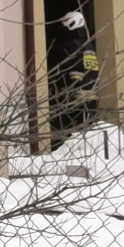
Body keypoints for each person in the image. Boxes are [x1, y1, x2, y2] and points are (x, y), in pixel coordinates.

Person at [48, 11, 99, 148]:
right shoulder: (88, 45)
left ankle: (59, 149)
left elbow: (66, 68)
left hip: (72, 95)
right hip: (90, 94)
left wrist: (63, 88)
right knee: (83, 131)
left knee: (66, 128)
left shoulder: (69, 45)